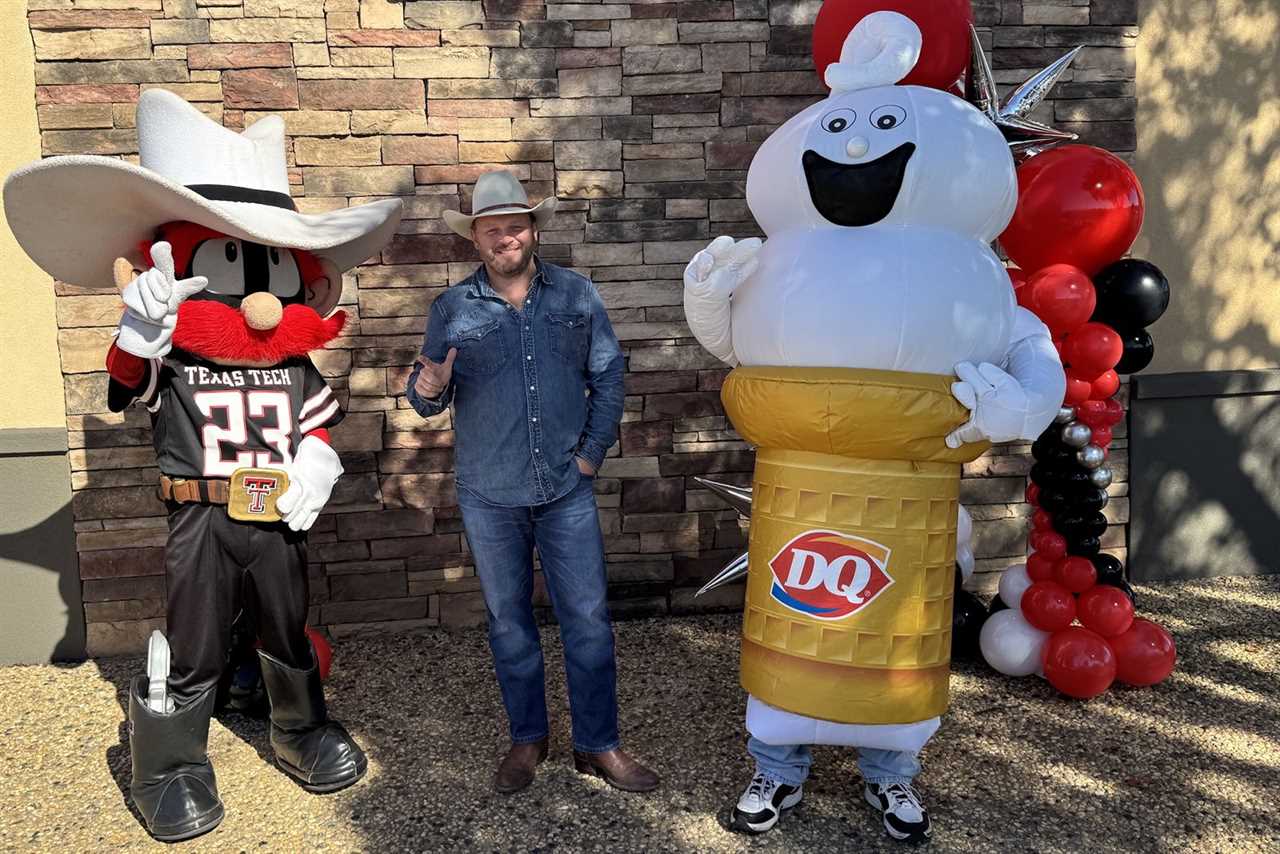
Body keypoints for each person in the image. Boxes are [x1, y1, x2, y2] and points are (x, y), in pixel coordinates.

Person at [3, 89, 401, 841]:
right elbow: (125, 386)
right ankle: (170, 764)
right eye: (226, 260)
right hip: (200, 516)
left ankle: (299, 727)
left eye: (269, 265)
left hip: (278, 515)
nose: (256, 297)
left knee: (286, 622)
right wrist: (140, 331)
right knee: (194, 638)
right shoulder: (173, 354)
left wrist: (318, 462)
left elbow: (316, 427)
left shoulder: (293, 366)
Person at [406, 170, 658, 795]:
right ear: (475, 239)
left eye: (514, 226)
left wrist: (591, 456)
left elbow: (609, 376)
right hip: (489, 493)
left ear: (533, 230)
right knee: (509, 623)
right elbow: (426, 396)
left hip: (565, 489)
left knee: (588, 621)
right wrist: (428, 388)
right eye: (491, 229)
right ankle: (528, 740)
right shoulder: (452, 309)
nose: (505, 238)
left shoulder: (576, 294)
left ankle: (598, 744)